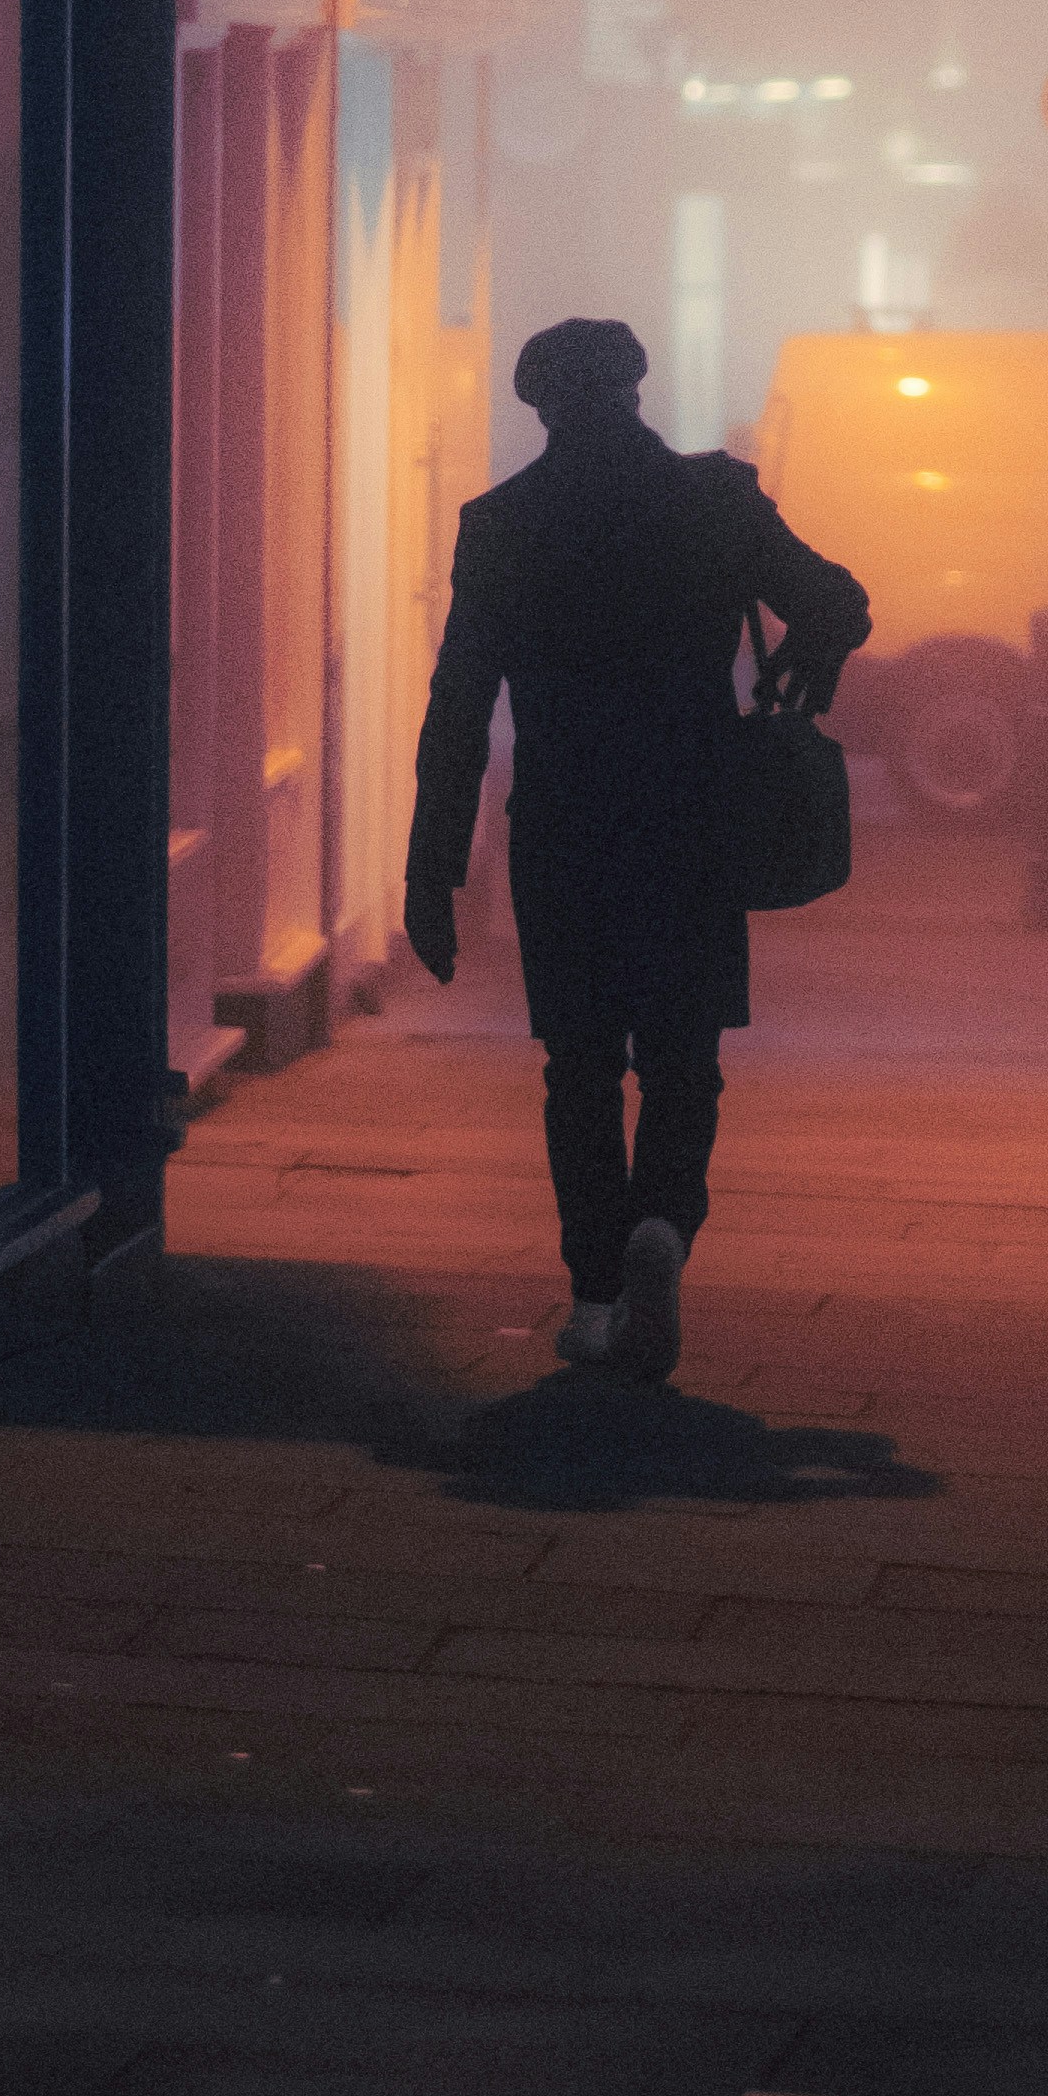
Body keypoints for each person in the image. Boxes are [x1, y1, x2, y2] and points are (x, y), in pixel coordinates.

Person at [405, 317, 870, 1384]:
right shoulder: (715, 502)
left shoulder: (503, 524)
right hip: (691, 816)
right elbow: (837, 602)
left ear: (541, 406)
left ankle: (598, 1292)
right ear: (636, 388)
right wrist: (801, 666)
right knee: (681, 1057)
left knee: (577, 1067)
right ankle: (662, 1224)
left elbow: (458, 711)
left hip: (566, 825)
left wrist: (432, 872)